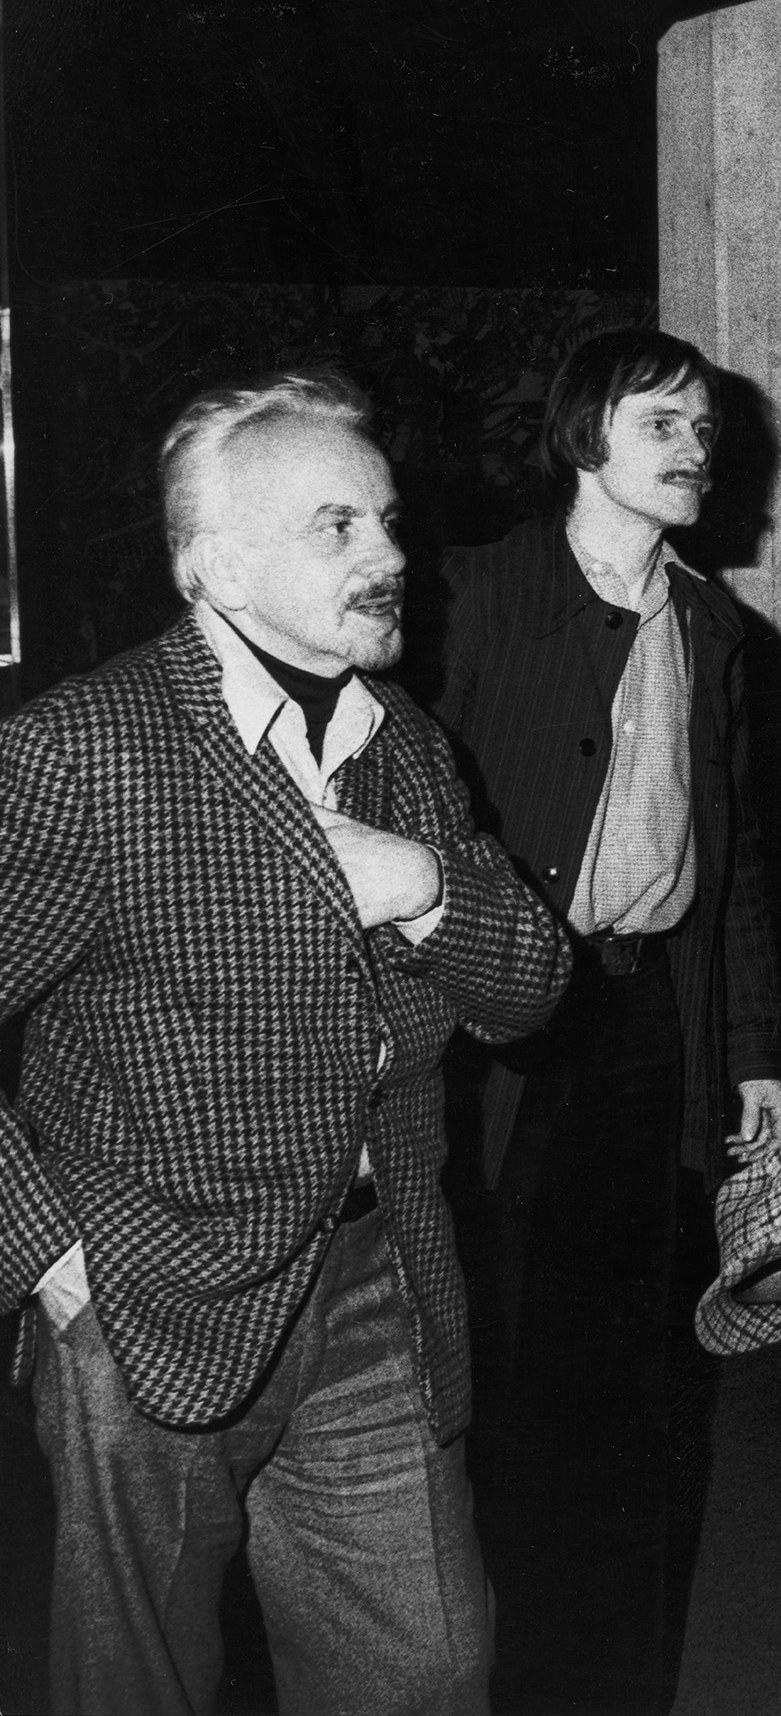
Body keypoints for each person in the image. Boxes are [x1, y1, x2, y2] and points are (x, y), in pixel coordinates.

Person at [0, 371, 573, 1716]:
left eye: (385, 524)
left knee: (428, 1670)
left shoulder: (409, 750)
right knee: (141, 1686)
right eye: (337, 528)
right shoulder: (84, 751)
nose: (391, 558)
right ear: (217, 567)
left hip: (377, 1286)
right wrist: (44, 1253)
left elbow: (531, 991)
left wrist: (423, 884)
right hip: (141, 1303)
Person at [429, 328, 781, 1710]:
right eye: (665, 423)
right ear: (586, 435)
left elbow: (741, 857)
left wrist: (752, 1045)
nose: (697, 448)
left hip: (649, 1036)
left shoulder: (714, 627)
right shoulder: (472, 596)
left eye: (709, 428)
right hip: (498, 1047)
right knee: (504, 1374)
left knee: (641, 1380)